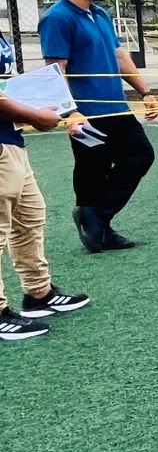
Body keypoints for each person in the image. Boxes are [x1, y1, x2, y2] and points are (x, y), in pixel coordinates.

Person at [39, 0, 158, 253]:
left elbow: (120, 57)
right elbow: (56, 71)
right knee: (94, 167)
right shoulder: (57, 18)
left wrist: (145, 92)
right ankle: (97, 227)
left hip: (116, 106)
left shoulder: (101, 14)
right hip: (86, 112)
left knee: (141, 156)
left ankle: (94, 218)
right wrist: (71, 112)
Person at [0, 93, 92, 341]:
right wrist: (36, 116)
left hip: (11, 141)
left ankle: (39, 294)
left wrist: (64, 111)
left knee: (29, 219)